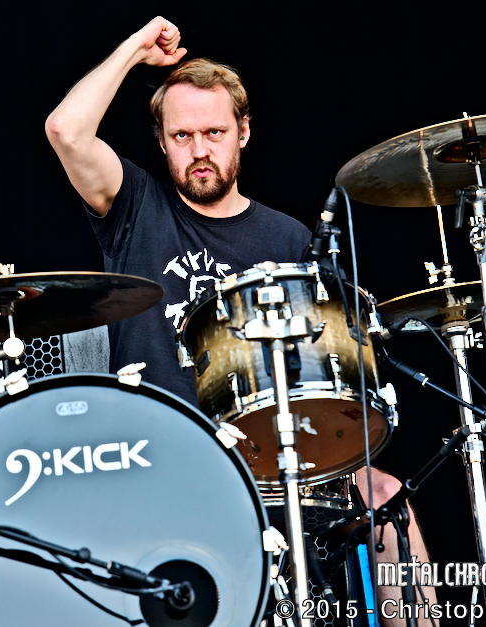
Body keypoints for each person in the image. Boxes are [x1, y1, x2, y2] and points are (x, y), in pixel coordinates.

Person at [46, 16, 437, 626]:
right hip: (160, 455)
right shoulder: (134, 207)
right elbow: (65, 130)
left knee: (388, 500)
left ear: (244, 132)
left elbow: (322, 373)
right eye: (181, 135)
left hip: (272, 458)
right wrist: (135, 50)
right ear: (161, 142)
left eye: (214, 132)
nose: (200, 151)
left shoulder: (288, 237)